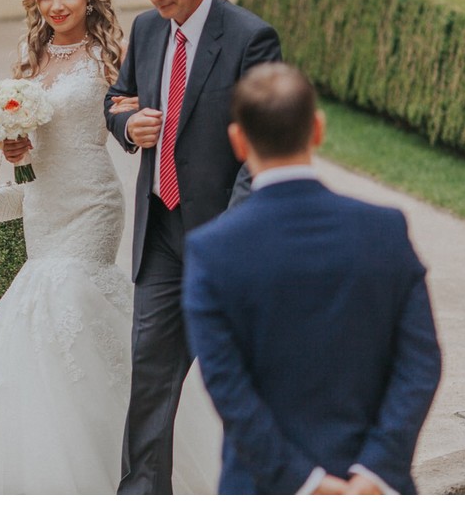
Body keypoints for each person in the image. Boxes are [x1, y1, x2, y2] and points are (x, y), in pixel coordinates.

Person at [0, 0, 218, 494]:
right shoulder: (30, 53)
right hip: (43, 203)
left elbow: (127, 114)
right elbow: (24, 131)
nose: (55, 5)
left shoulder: (107, 54)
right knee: (43, 312)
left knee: (68, 294)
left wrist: (141, 125)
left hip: (91, 201)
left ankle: (134, 463)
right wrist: (14, 145)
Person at [182, 63, 442, 495]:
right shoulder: (385, 228)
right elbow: (420, 363)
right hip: (375, 490)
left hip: (264, 486)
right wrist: (374, 473)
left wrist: (306, 484)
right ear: (318, 129)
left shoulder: (212, 249)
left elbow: (228, 388)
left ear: (238, 141)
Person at [104, 0, 282, 495]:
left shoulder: (252, 38)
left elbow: (263, 147)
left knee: (247, 385)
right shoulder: (148, 30)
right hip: (158, 237)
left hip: (224, 244)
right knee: (149, 380)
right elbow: (117, 99)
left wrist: (230, 235)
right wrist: (130, 124)